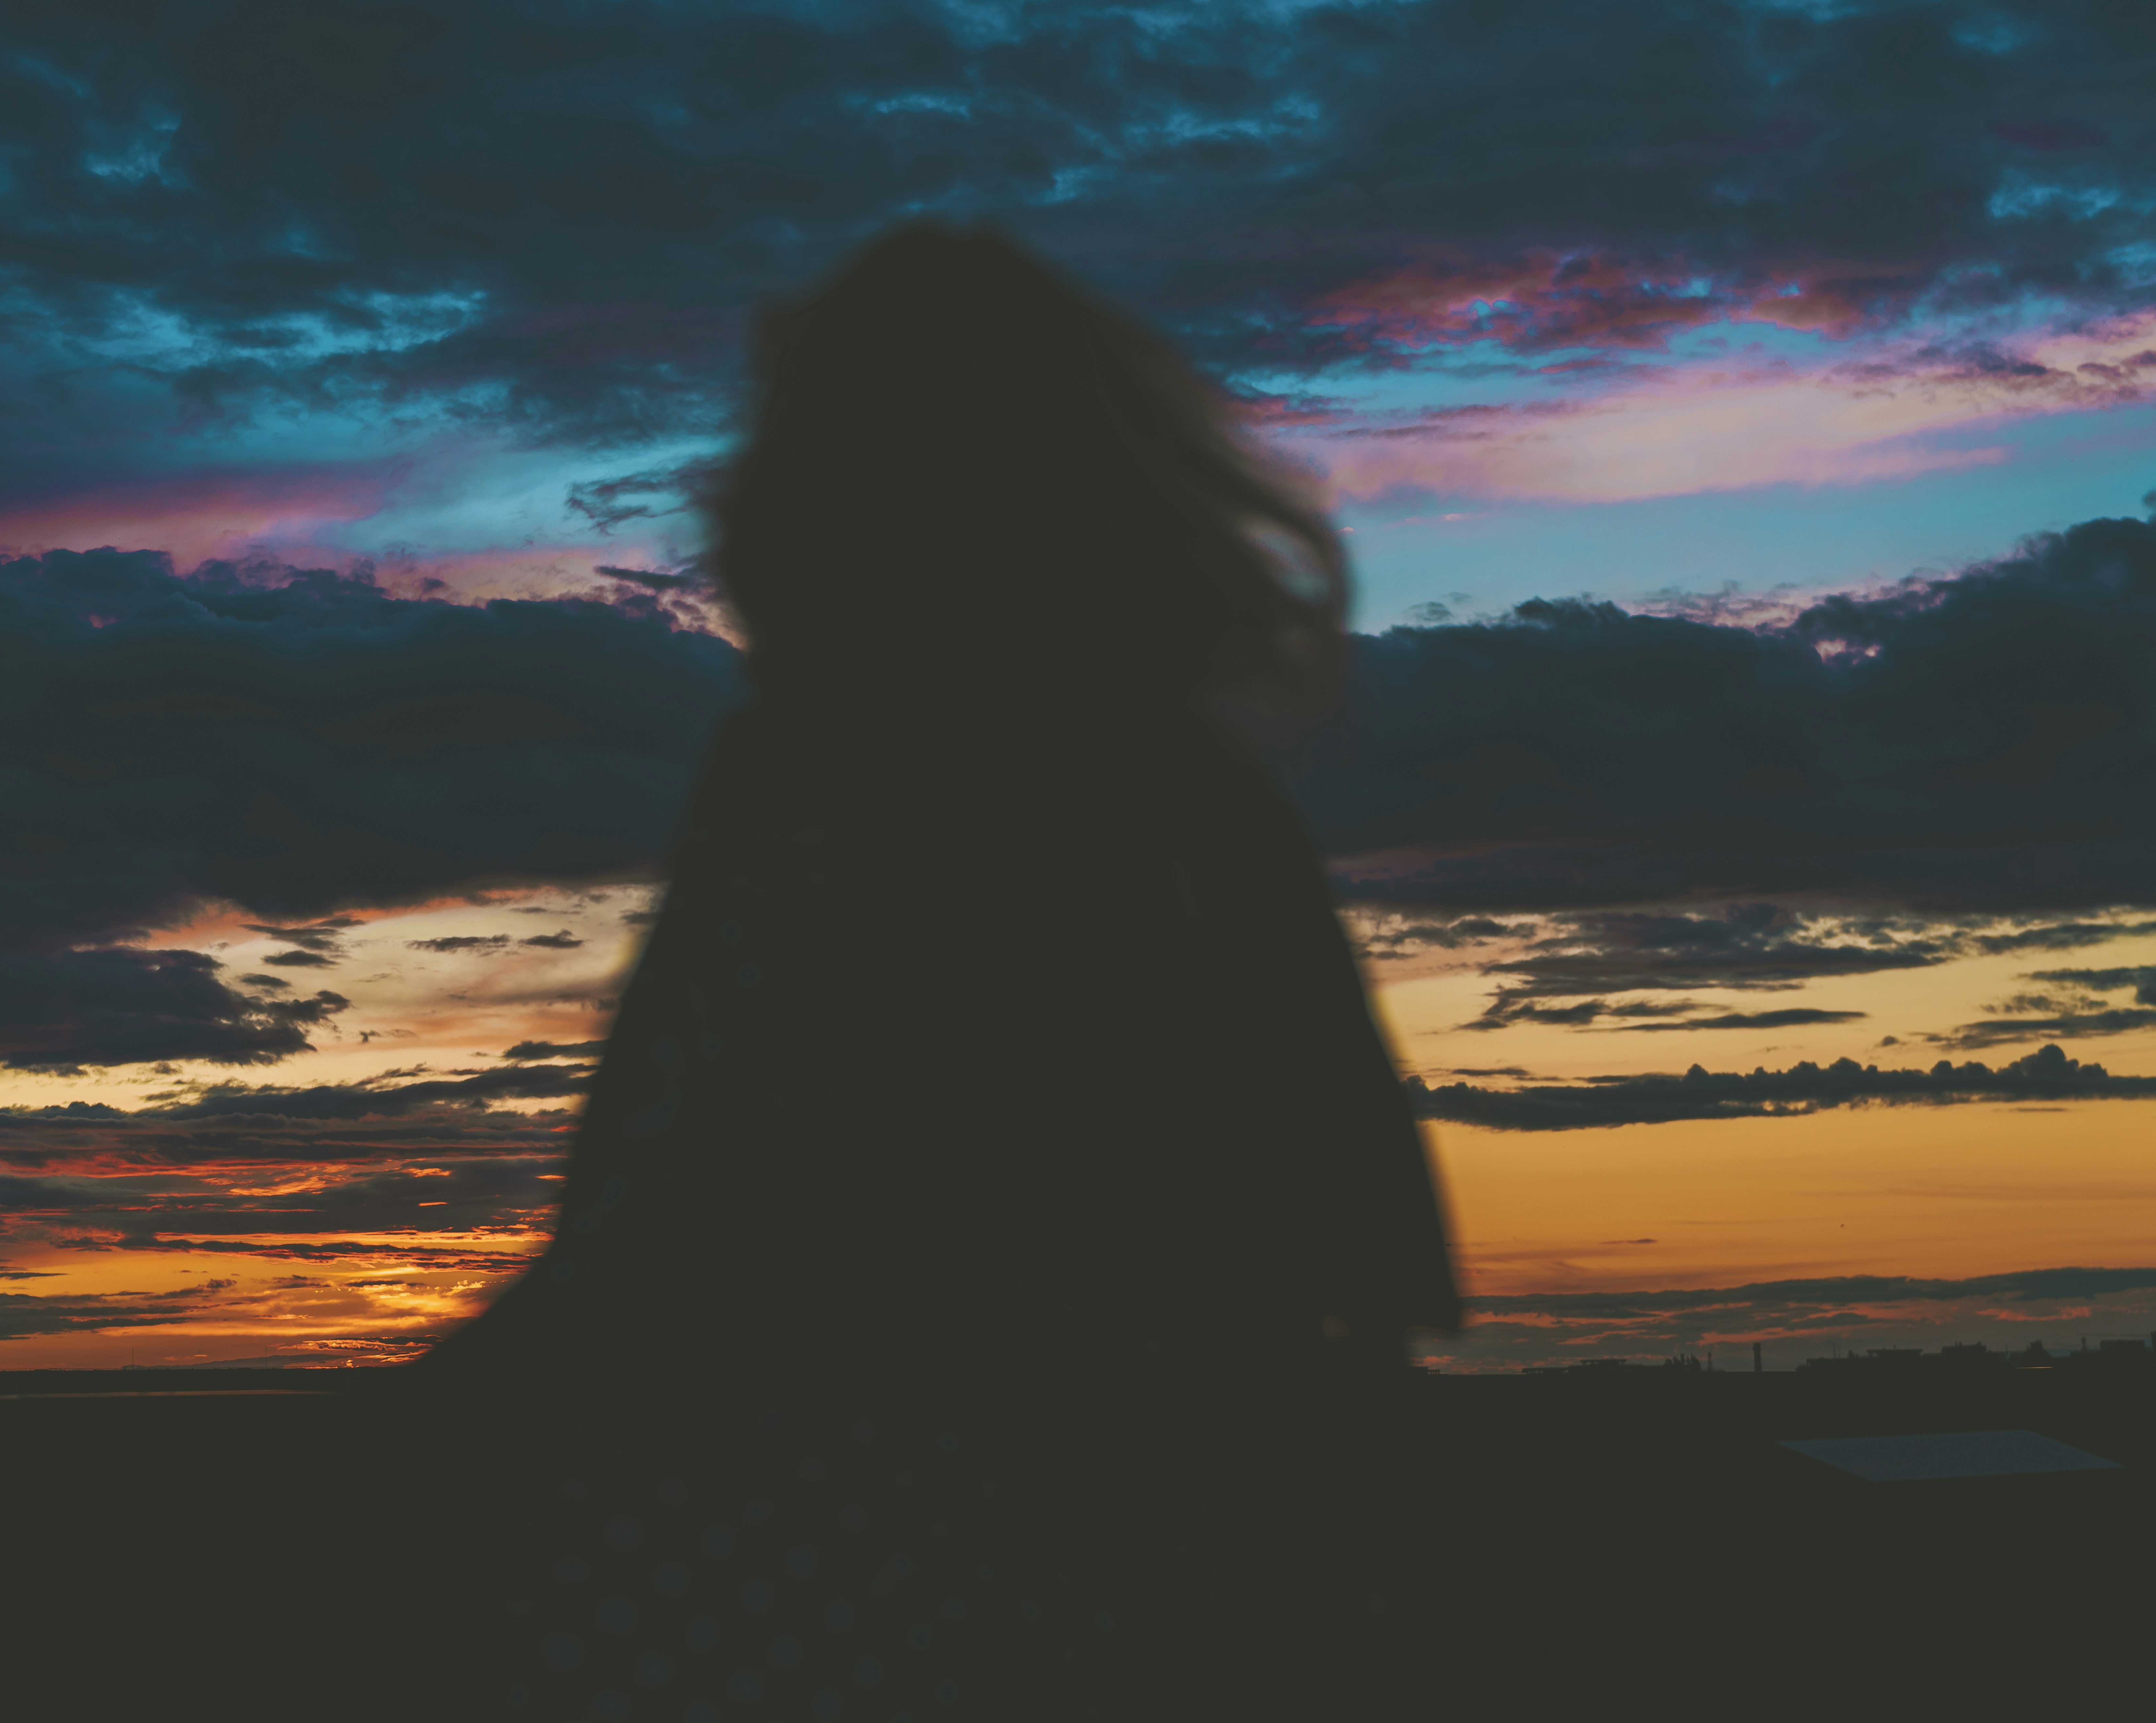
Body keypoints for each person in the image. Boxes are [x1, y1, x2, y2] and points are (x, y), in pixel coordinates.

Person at [414, 222, 1459, 1720]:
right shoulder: (1202, 808)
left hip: (802, 1594)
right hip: (1171, 1580)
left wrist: (403, 1451)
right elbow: (1370, 1257)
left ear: (828, 503)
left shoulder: (815, 794)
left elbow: (685, 1214)